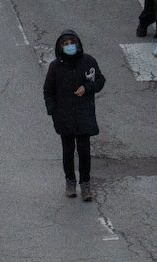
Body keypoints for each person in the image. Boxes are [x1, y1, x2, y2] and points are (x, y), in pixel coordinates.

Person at [42, 30, 103, 201]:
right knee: (68, 151)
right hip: (64, 116)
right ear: (61, 47)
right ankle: (70, 181)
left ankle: (85, 184)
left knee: (84, 152)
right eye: (65, 44)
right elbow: (48, 91)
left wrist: (86, 88)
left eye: (72, 43)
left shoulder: (88, 61)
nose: (69, 46)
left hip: (84, 115)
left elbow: (100, 81)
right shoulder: (55, 67)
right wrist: (53, 110)